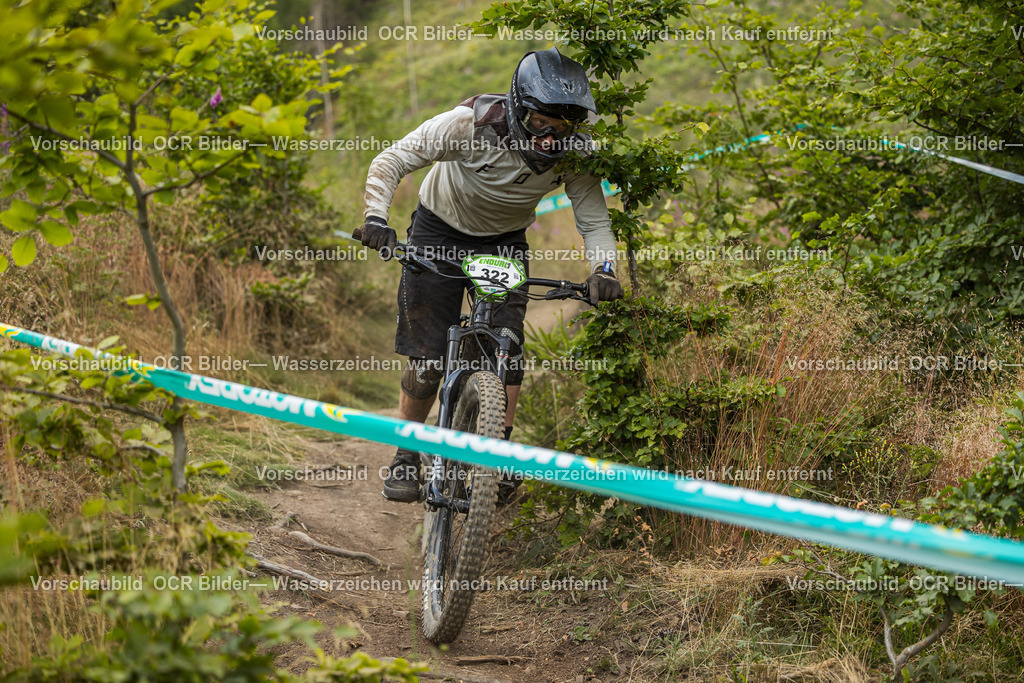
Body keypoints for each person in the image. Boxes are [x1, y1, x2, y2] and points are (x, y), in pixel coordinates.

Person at [359, 47, 623, 503]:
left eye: (563, 129)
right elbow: (393, 159)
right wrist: (377, 219)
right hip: (437, 228)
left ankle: (497, 452)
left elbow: (594, 219)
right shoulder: (469, 124)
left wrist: (604, 270)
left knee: (507, 346)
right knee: (427, 361)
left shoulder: (577, 152)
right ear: (520, 108)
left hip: (502, 242)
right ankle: (407, 453)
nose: (550, 139)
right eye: (542, 124)